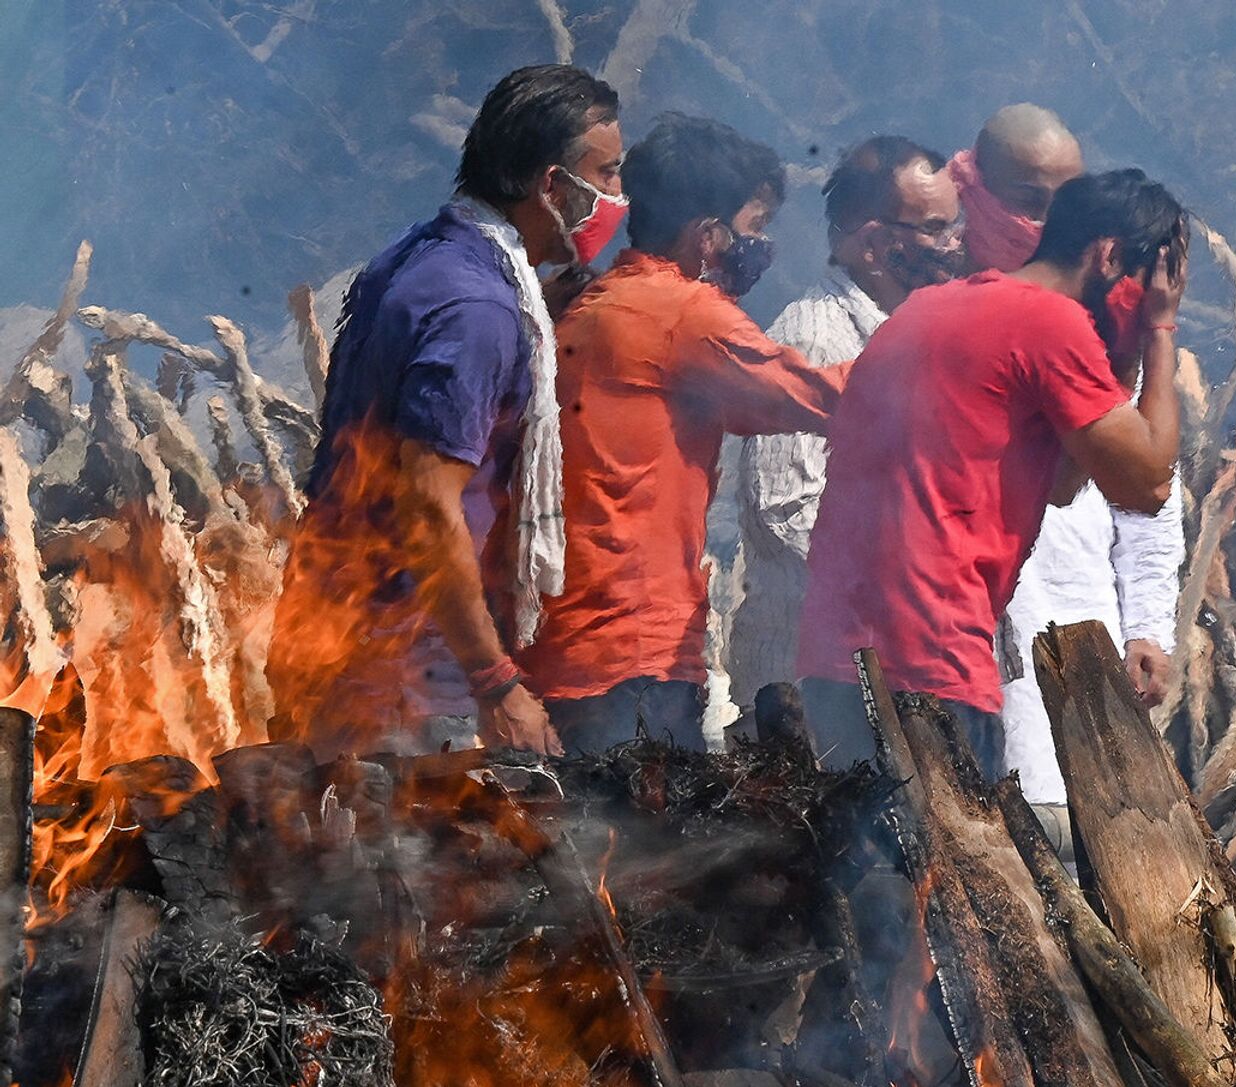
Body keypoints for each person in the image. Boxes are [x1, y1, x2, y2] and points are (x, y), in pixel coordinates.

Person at [268, 64, 626, 760]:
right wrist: (497, 686)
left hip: (336, 629)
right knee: (413, 863)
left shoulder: (426, 254)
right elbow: (430, 506)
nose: (617, 195)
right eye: (607, 174)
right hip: (404, 665)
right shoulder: (477, 308)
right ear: (551, 185)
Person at [795, 169, 1188, 776]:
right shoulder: (1049, 324)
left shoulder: (930, 306)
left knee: (855, 865)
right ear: (1109, 257)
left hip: (835, 663)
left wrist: (1122, 349)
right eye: (1148, 283)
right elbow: (1147, 485)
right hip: (933, 663)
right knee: (940, 870)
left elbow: (1065, 484)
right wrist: (1159, 330)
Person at [514, 113, 848, 755]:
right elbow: (823, 398)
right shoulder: (685, 315)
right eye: (753, 230)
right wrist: (935, 344)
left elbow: (755, 407)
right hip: (634, 656)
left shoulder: (601, 304)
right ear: (707, 236)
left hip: (565, 646)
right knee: (652, 848)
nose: (761, 248)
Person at [726, 136, 964, 708]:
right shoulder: (813, 336)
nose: (956, 245)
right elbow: (785, 511)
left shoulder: (934, 331)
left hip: (913, 671)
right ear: (874, 246)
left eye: (957, 226)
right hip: (823, 691)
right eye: (935, 229)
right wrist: (915, 585)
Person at [948, 103, 1085, 274]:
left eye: (1067, 200)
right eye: (1028, 200)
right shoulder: (923, 272)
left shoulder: (1094, 279)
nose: (1046, 219)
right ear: (976, 187)